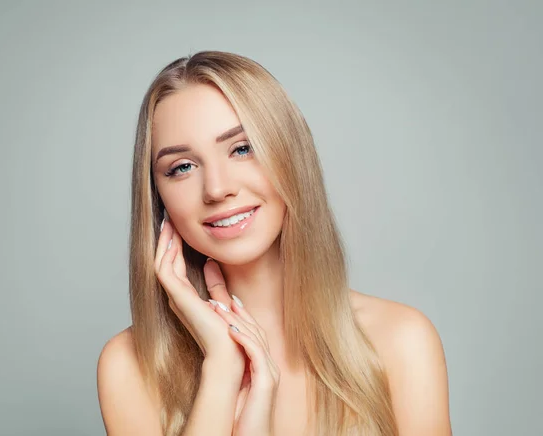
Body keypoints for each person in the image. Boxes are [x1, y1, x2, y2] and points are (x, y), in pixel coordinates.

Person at [96, 50, 452, 436]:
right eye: (182, 167)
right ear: (158, 197)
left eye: (242, 148)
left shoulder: (400, 341)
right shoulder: (131, 364)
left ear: (290, 156)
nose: (217, 188)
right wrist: (221, 369)